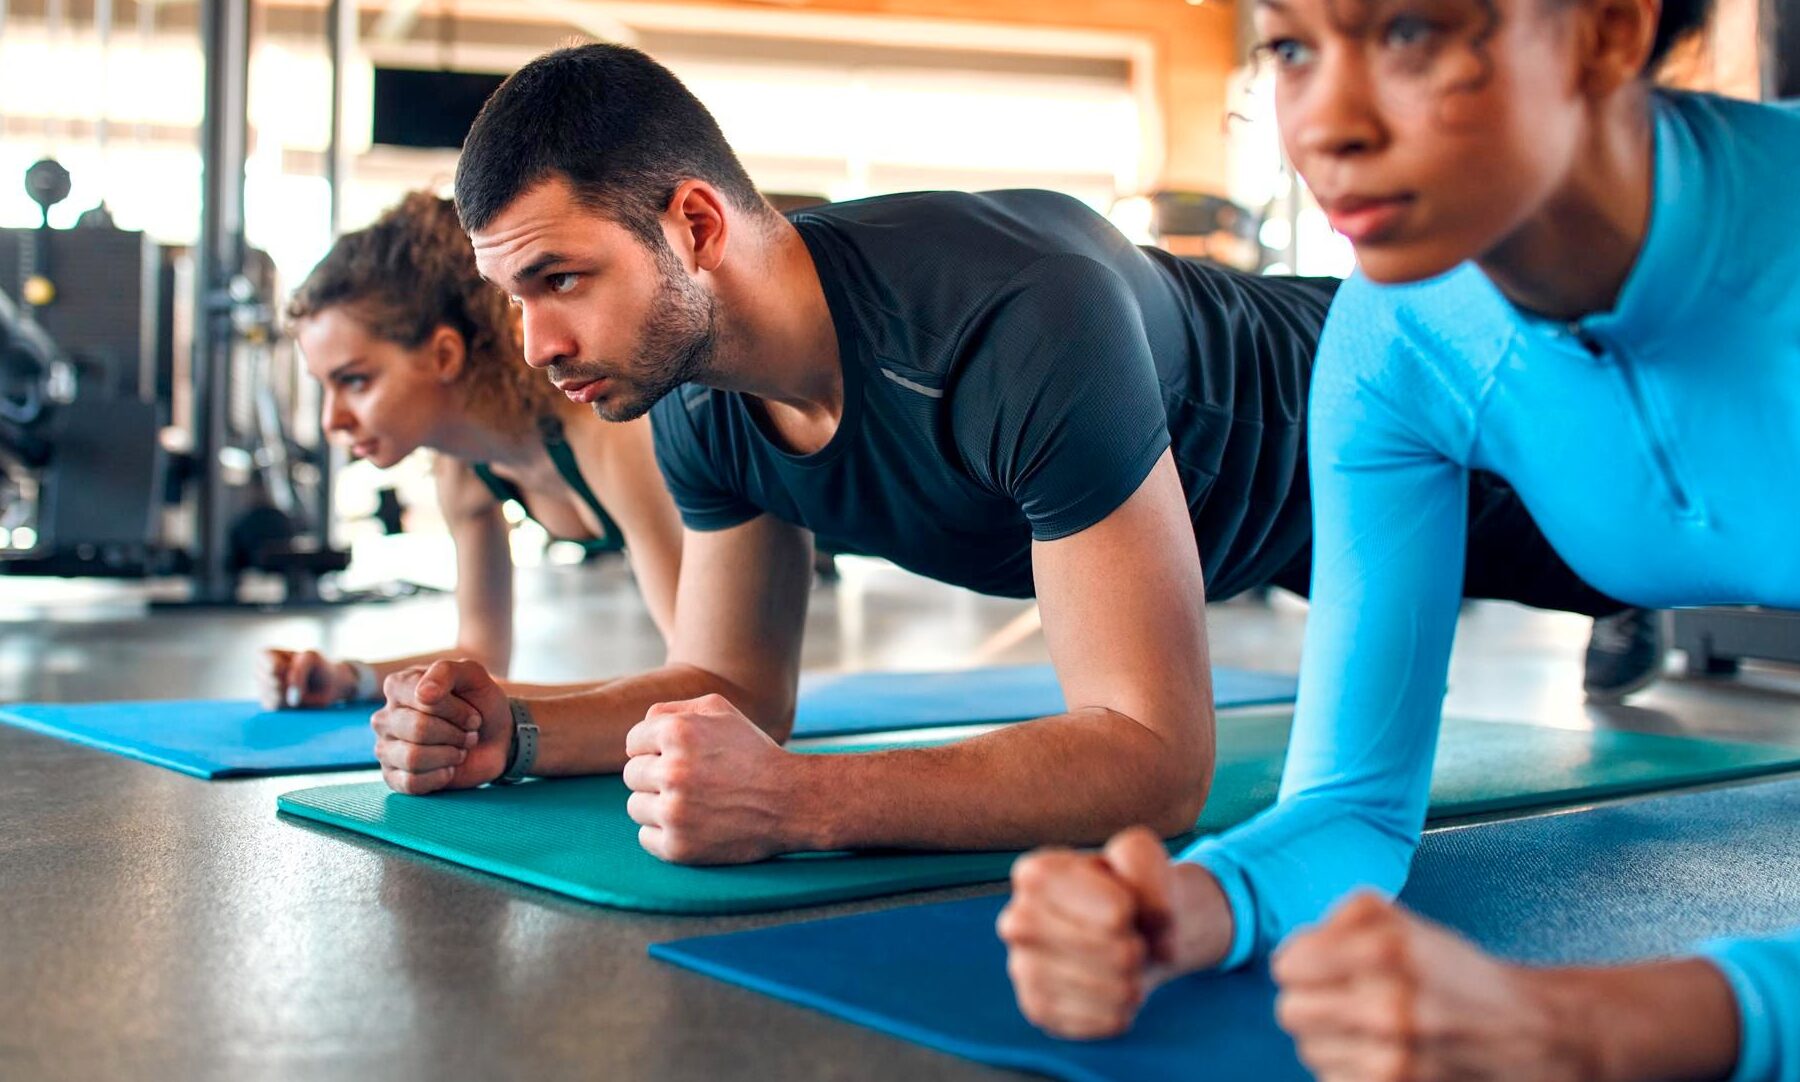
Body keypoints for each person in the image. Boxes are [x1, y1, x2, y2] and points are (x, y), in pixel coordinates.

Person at [369, 44, 1632, 864]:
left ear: (693, 224)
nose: (536, 342)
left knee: (1711, 551)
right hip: (1304, 538)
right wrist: (518, 731)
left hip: (1452, 409)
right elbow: (735, 687)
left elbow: (1154, 758)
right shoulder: (698, 396)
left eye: (560, 280)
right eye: (514, 297)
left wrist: (797, 802)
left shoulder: (1007, 318)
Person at [997, 0, 1800, 1076]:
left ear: (1608, 28)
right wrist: (1193, 900)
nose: (1327, 124)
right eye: (1290, 48)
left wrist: (1592, 1027)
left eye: (1412, 30)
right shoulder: (1396, 337)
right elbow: (1354, 802)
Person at [260, 192, 683, 710]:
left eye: (355, 380)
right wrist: (351, 679)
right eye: (326, 387)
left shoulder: (603, 433)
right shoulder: (464, 469)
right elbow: (482, 656)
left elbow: (701, 676)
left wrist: (501, 720)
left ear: (443, 354)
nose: (333, 421)